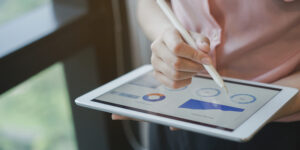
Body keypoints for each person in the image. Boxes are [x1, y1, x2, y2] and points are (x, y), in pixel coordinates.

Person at [112, 0, 300, 149]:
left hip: (274, 125)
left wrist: (263, 104)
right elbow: (150, 3)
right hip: (176, 109)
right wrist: (169, 37)